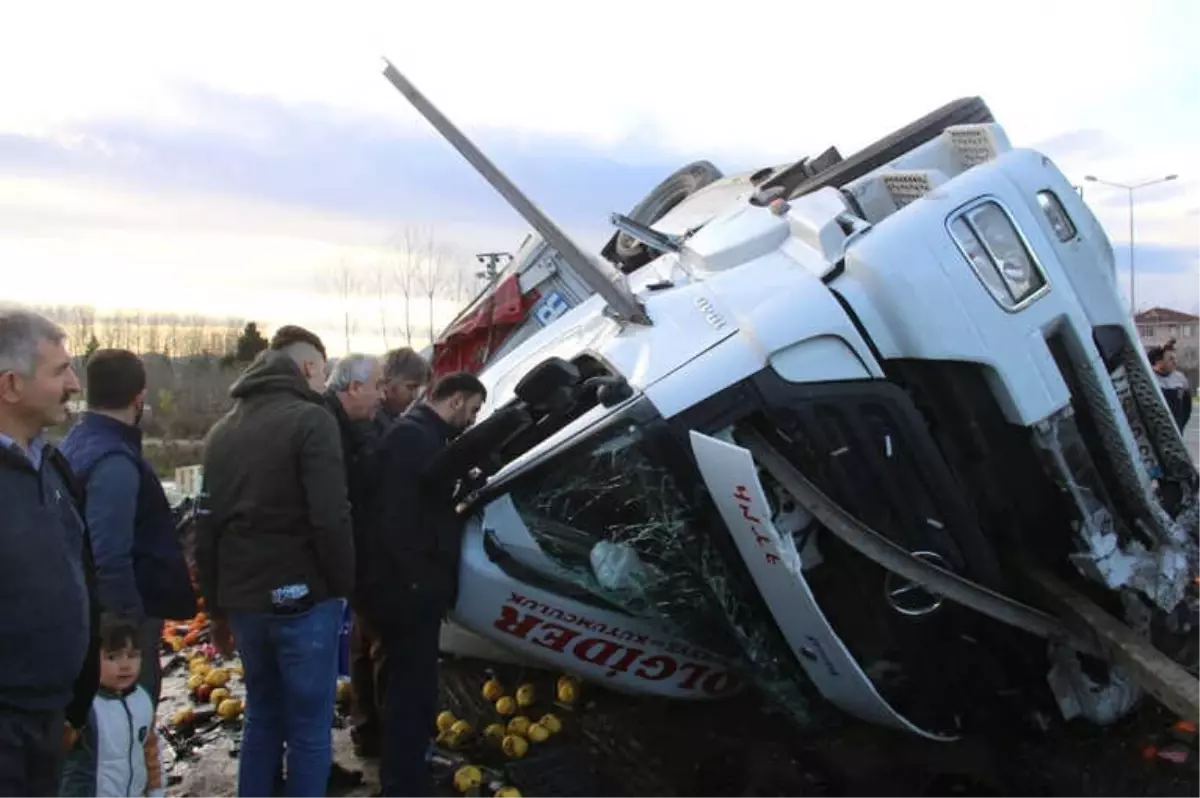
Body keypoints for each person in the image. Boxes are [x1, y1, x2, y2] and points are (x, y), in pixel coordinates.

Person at [196, 325, 354, 798]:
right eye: (324, 372)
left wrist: (217, 608)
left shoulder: (222, 431)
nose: (325, 382)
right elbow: (331, 517)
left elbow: (207, 528)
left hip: (245, 601)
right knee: (308, 728)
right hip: (303, 600)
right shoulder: (311, 421)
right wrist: (345, 585)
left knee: (263, 715)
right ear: (308, 368)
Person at [360, 372, 486, 798]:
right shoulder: (412, 441)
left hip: (403, 586)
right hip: (404, 591)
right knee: (409, 691)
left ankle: (408, 768)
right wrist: (419, 579)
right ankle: (404, 783)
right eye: (472, 410)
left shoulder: (420, 439)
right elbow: (395, 520)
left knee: (408, 687)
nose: (471, 420)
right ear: (455, 401)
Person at [59, 349, 196, 706]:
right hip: (119, 622)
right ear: (139, 398)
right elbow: (110, 555)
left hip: (88, 611)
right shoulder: (114, 461)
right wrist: (127, 630)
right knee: (129, 718)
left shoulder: (76, 441)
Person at [0, 309, 99, 798]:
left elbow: (81, 574)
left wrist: (74, 706)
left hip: (49, 718)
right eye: (60, 371)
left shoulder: (53, 467)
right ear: (11, 385)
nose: (75, 384)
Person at [349, 348, 430, 759]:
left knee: (364, 647)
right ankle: (385, 741)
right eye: (410, 388)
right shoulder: (379, 430)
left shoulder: (380, 424)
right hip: (373, 559)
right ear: (390, 385)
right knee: (381, 651)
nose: (413, 397)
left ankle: (368, 732)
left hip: (363, 557)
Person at [59, 614, 165, 798]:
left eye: (133, 656)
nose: (125, 665)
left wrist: (155, 791)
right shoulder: (83, 705)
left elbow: (151, 753)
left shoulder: (142, 700)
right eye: (112, 657)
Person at [372, 348, 432, 438]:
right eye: (410, 387)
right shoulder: (371, 421)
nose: (414, 396)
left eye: (418, 389)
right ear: (388, 381)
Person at [1150, 344, 1192, 432]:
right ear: (1158, 362)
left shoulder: (1181, 379)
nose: (1175, 362)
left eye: (1175, 358)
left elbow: (1187, 408)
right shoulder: (1149, 379)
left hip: (1175, 432)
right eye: (1171, 359)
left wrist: (1180, 427)